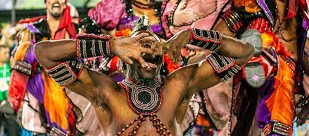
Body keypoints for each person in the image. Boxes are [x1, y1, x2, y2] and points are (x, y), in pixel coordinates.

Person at [34, 15, 254, 135]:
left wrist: (193, 36)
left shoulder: (179, 85)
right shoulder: (107, 92)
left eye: (152, 45)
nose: (147, 50)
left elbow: (244, 53)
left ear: (162, 55)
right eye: (139, 46)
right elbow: (44, 53)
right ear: (123, 57)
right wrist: (109, 45)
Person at [207, 0, 309, 135]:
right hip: (253, 70)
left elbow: (302, 47)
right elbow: (223, 31)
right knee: (270, 56)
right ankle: (257, 55)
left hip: (289, 79)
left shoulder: (299, 10)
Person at [7, 0, 79, 135]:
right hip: (38, 83)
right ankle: (13, 101)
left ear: (65, 3)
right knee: (26, 48)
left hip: (71, 84)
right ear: (46, 2)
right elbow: (16, 58)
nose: (56, 0)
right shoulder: (34, 30)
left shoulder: (74, 31)